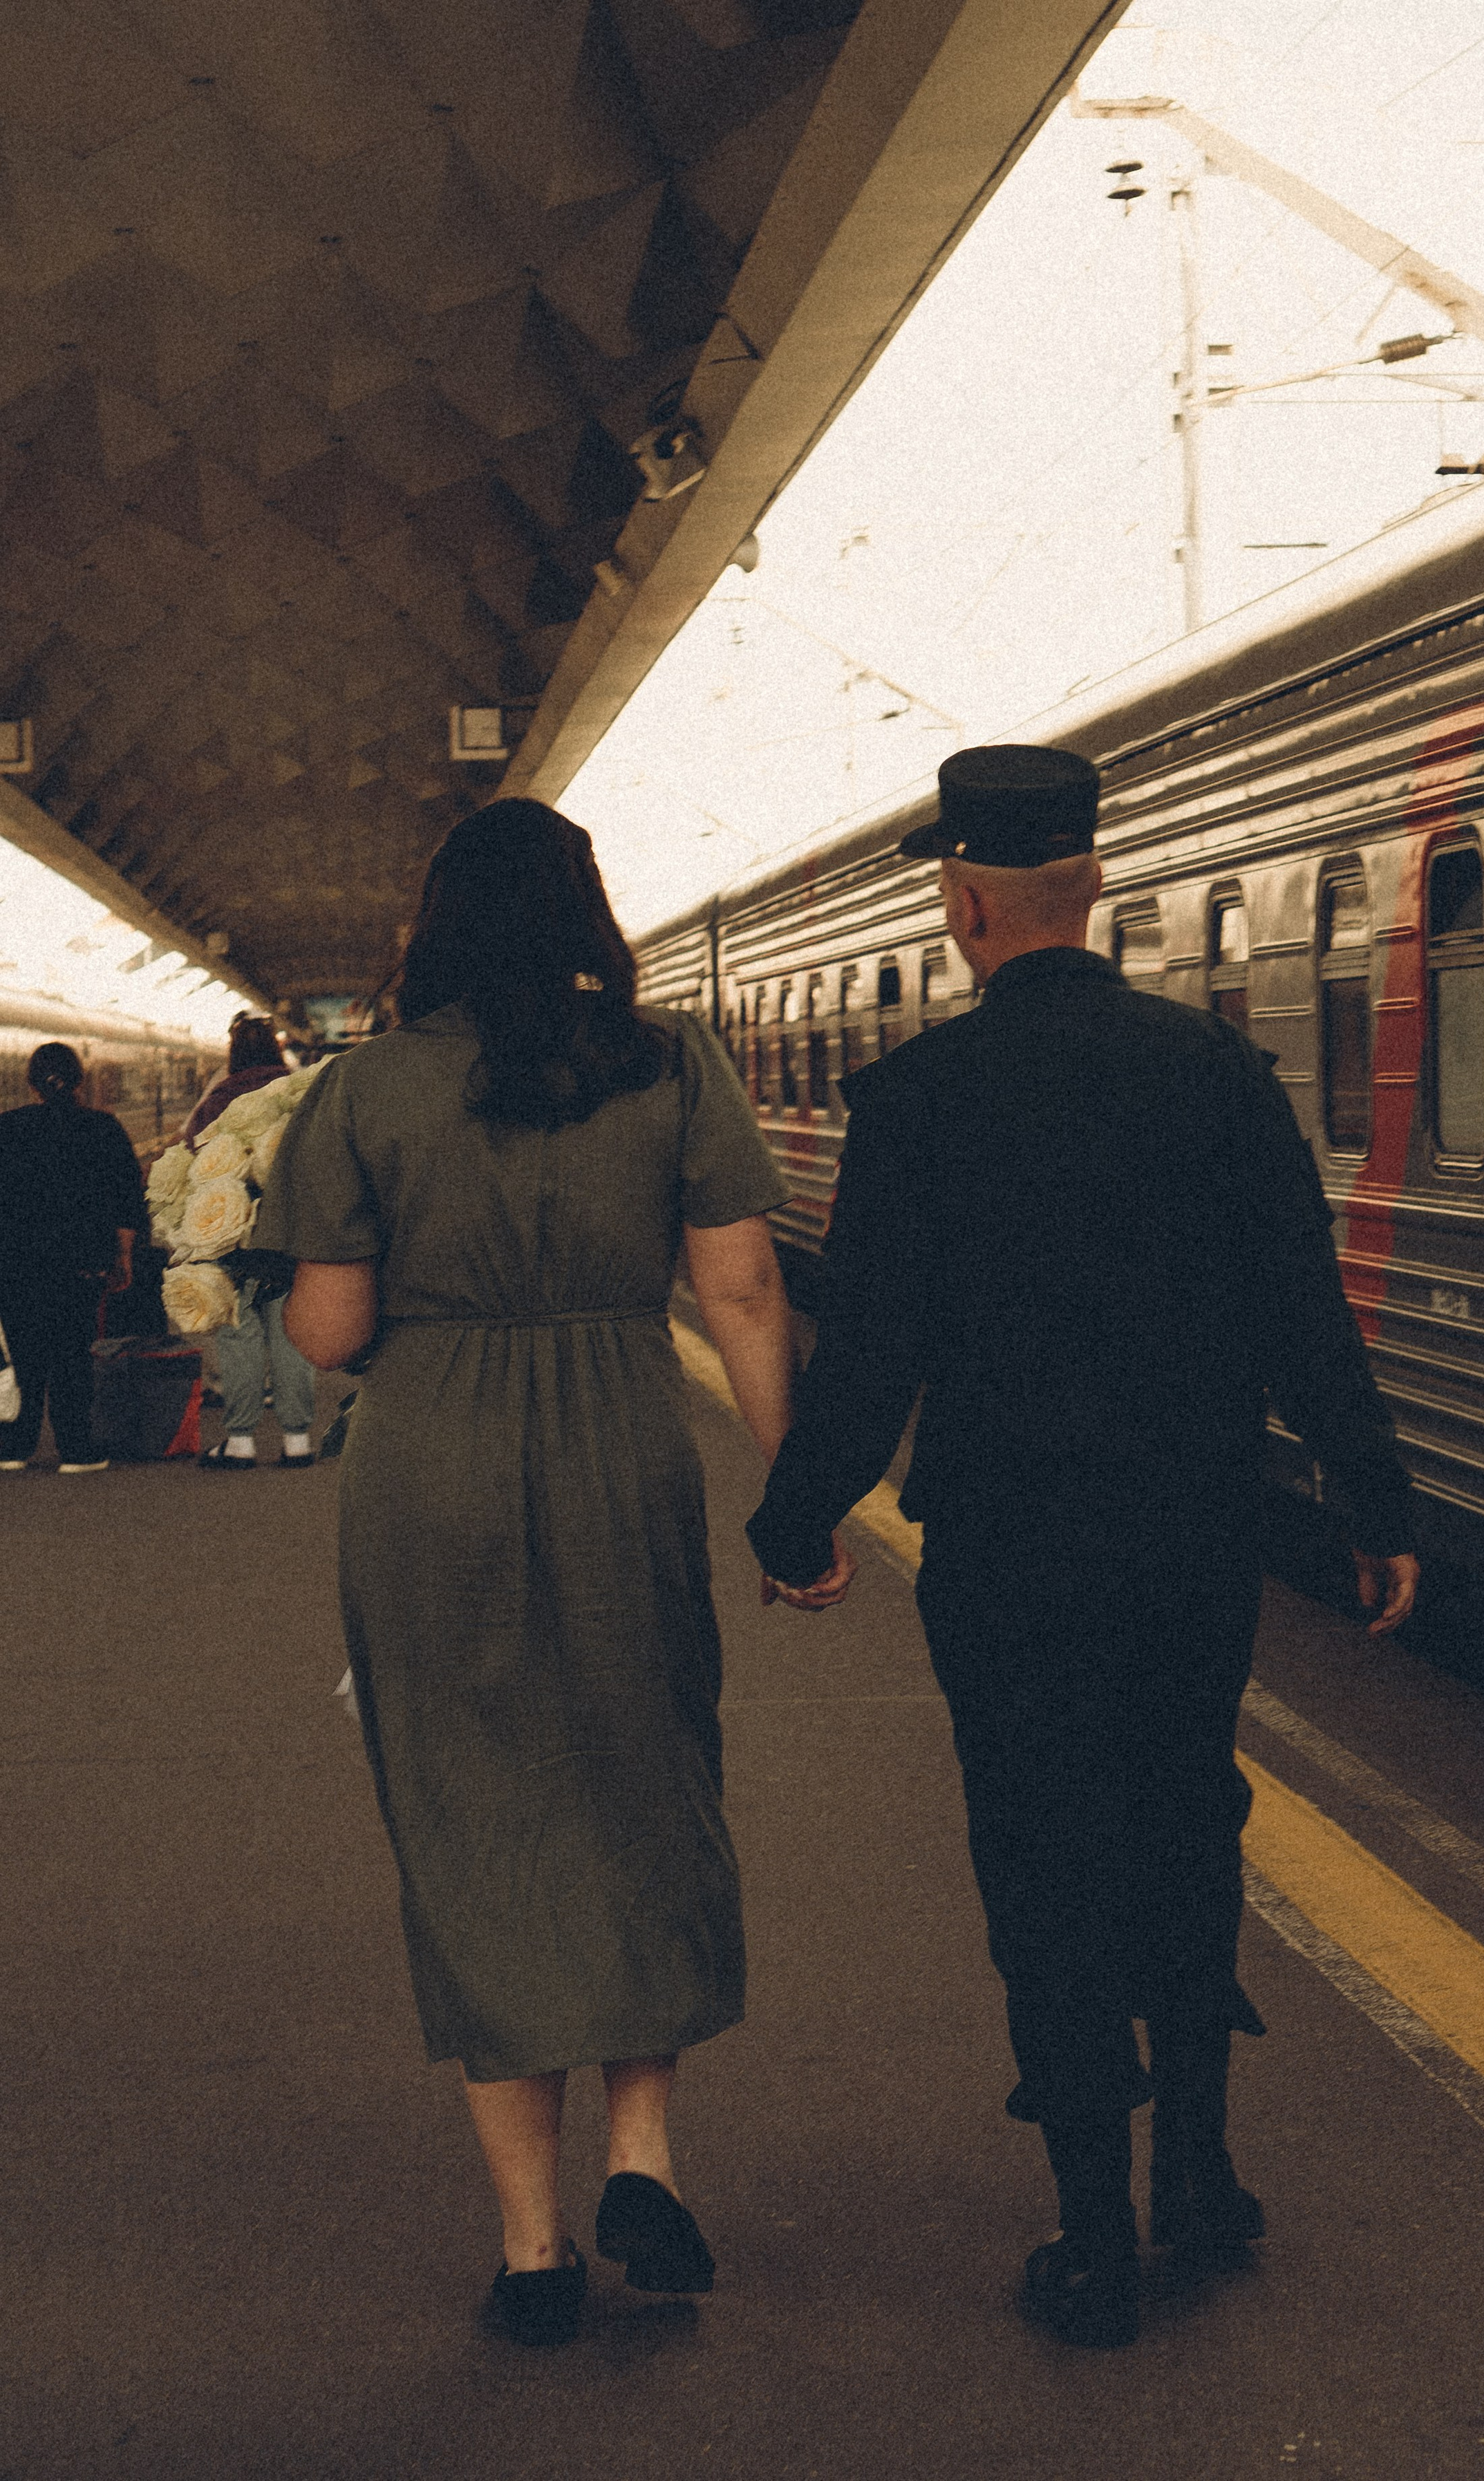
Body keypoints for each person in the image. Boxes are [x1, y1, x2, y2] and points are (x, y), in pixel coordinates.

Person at [746, 745, 1420, 2350]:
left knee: (1041, 1847)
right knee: (1184, 1820)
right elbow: (1302, 1314)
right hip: (1190, 1538)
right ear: (1095, 882)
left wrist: (795, 1515)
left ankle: (1093, 2234)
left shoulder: (914, 1099)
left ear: (962, 903)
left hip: (1005, 1551)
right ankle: (1198, 2170)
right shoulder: (1219, 1076)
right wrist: (1374, 1504)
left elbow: (871, 1355)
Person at [255, 798, 812, 2350]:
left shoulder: (365, 1088)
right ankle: (642, 2154)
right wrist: (797, 1496)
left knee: (472, 1817)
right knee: (646, 1779)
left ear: (434, 925)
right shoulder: (670, 1062)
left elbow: (328, 1337)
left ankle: (533, 2252)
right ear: (587, 914)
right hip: (623, 1440)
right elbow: (742, 1290)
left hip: (429, 1465)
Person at [0, 1040, 147, 1474]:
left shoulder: (6, 1128)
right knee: (72, 1353)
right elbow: (127, 1199)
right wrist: (124, 1257)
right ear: (81, 1081)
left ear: (30, 1085)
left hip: (15, 1264)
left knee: (23, 1353)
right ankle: (76, 1449)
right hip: (82, 1262)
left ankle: (13, 1447)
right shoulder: (103, 1127)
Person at [186, 1013, 315, 1470]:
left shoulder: (218, 1100)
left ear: (233, 1056)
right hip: (289, 1232)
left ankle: (240, 1442)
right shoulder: (300, 1095)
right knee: (291, 1332)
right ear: (277, 1052)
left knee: (239, 1332)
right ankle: (297, 1440)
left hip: (231, 1230)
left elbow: (193, 1159)